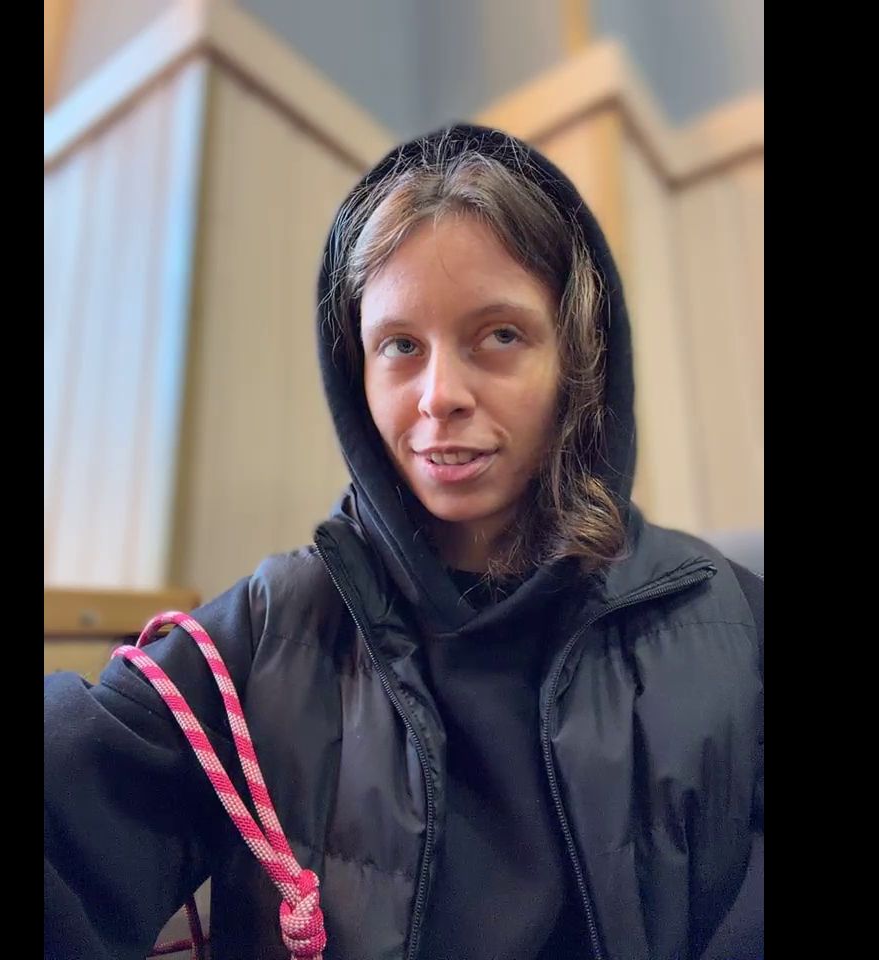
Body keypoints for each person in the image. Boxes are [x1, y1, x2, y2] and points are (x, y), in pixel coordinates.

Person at [44, 123, 763, 960]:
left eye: (500, 334)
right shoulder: (267, 633)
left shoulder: (730, 620)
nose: (439, 394)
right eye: (400, 346)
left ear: (578, 358)